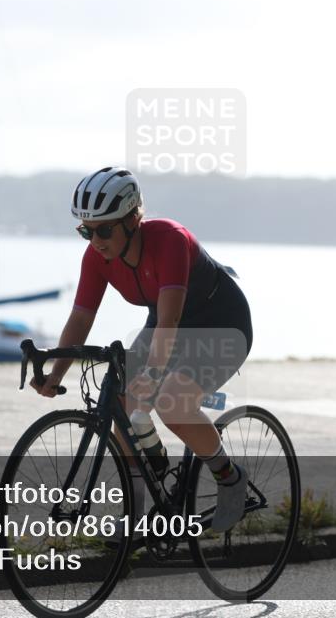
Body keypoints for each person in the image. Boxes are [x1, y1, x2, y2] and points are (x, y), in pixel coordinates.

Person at [29, 166, 253, 532]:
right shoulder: (96, 257)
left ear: (134, 219)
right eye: (86, 230)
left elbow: (169, 321)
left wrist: (151, 378)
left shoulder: (169, 240)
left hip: (220, 323)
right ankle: (134, 517)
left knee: (173, 404)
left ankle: (229, 477)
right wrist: (55, 374)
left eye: (104, 229)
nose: (95, 240)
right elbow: (80, 320)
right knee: (122, 404)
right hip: (167, 323)